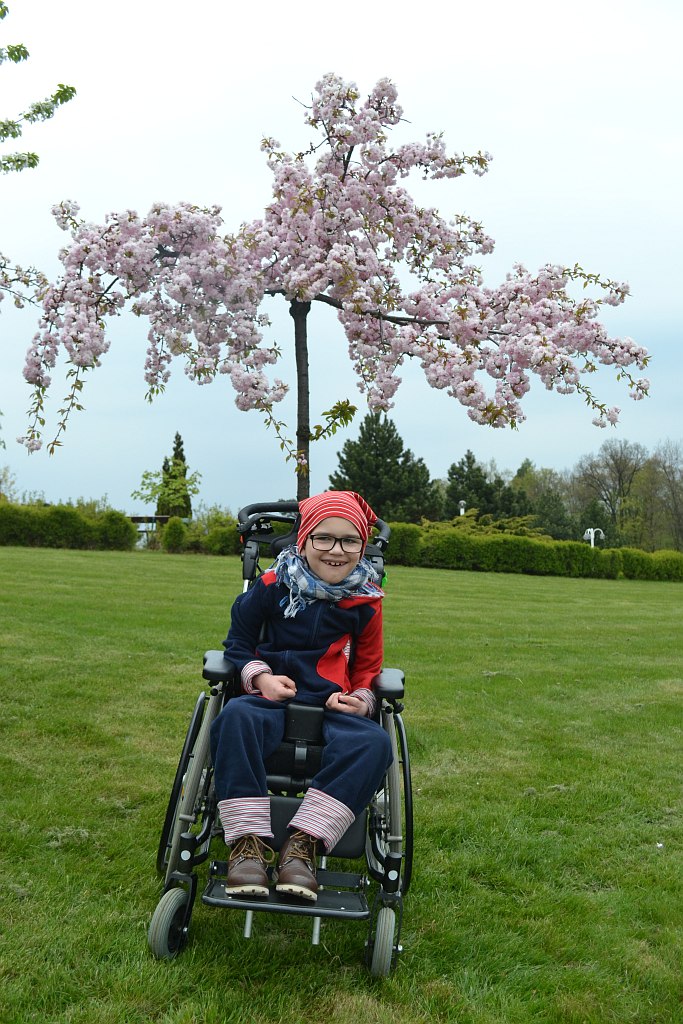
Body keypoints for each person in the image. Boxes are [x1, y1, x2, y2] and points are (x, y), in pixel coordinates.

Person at [209, 490, 393, 902]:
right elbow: (237, 644)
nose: (336, 550)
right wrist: (260, 678)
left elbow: (368, 666)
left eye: (350, 541)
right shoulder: (271, 585)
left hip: (331, 703)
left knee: (375, 743)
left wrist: (361, 698)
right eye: (323, 538)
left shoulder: (366, 600)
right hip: (270, 696)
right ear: (304, 539)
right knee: (235, 718)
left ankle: (303, 845)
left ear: (363, 546)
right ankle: (247, 845)